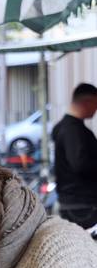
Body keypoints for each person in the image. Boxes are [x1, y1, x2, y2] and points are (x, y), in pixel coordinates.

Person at [51, 83, 97, 229]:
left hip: (73, 202)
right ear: (87, 102)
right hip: (81, 204)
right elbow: (80, 164)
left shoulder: (63, 126)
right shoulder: (73, 130)